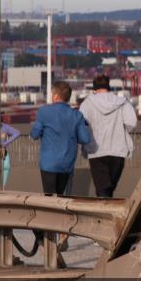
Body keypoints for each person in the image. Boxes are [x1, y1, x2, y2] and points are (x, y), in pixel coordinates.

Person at [31, 81, 90, 268]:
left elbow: (34, 134)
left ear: (55, 95)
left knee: (48, 202)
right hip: (66, 165)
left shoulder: (44, 112)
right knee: (64, 202)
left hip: (48, 164)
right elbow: (85, 139)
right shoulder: (76, 115)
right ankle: (63, 234)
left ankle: (46, 237)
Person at [79, 75, 137, 198]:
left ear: (94, 89)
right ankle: (107, 213)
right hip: (118, 150)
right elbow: (132, 123)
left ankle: (103, 214)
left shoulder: (87, 104)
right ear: (108, 87)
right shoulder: (122, 102)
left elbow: (81, 125)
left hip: (96, 151)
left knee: (102, 189)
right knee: (109, 189)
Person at [0, 121, 20, 190]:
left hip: (2, 151)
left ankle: (3, 188)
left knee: (6, 167)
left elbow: (17, 133)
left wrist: (6, 143)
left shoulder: (4, 127)